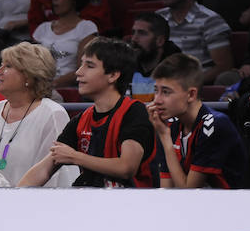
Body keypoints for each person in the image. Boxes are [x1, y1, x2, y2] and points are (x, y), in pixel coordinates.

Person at [20, 37, 155, 188]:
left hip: (130, 205)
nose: (78, 72)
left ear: (113, 75)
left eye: (89, 66)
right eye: (81, 64)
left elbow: (126, 168)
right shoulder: (82, 119)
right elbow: (45, 168)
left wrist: (75, 156)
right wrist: (15, 195)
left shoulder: (134, 112)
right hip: (89, 202)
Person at [0, 42, 78, 187]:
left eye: (7, 66)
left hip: (33, 204)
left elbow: (57, 176)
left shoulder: (52, 114)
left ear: (28, 76)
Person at [147, 53, 245, 188]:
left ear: (191, 94)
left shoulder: (214, 125)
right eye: (156, 91)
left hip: (229, 206)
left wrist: (165, 137)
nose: (157, 100)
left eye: (166, 92)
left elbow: (189, 193)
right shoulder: (170, 125)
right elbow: (167, 190)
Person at [157, 0, 234, 85]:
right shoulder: (158, 18)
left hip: (197, 88)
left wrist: (186, 84)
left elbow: (224, 67)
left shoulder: (210, 21)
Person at [32, 0, 99, 87]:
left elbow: (83, 69)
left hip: (68, 91)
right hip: (40, 88)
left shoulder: (86, 28)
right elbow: (29, 65)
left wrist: (52, 84)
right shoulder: (42, 29)